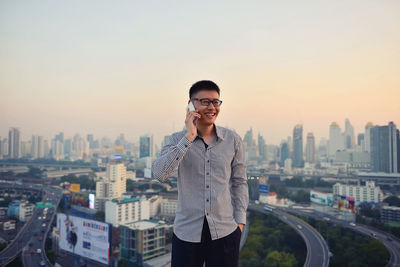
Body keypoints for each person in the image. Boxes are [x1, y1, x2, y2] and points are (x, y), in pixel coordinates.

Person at [152, 80, 249, 267]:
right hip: (187, 234)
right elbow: (160, 173)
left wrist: (240, 222)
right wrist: (189, 136)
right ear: (191, 104)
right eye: (205, 101)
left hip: (225, 231)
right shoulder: (175, 140)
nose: (212, 107)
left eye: (216, 102)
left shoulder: (232, 140)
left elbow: (239, 182)